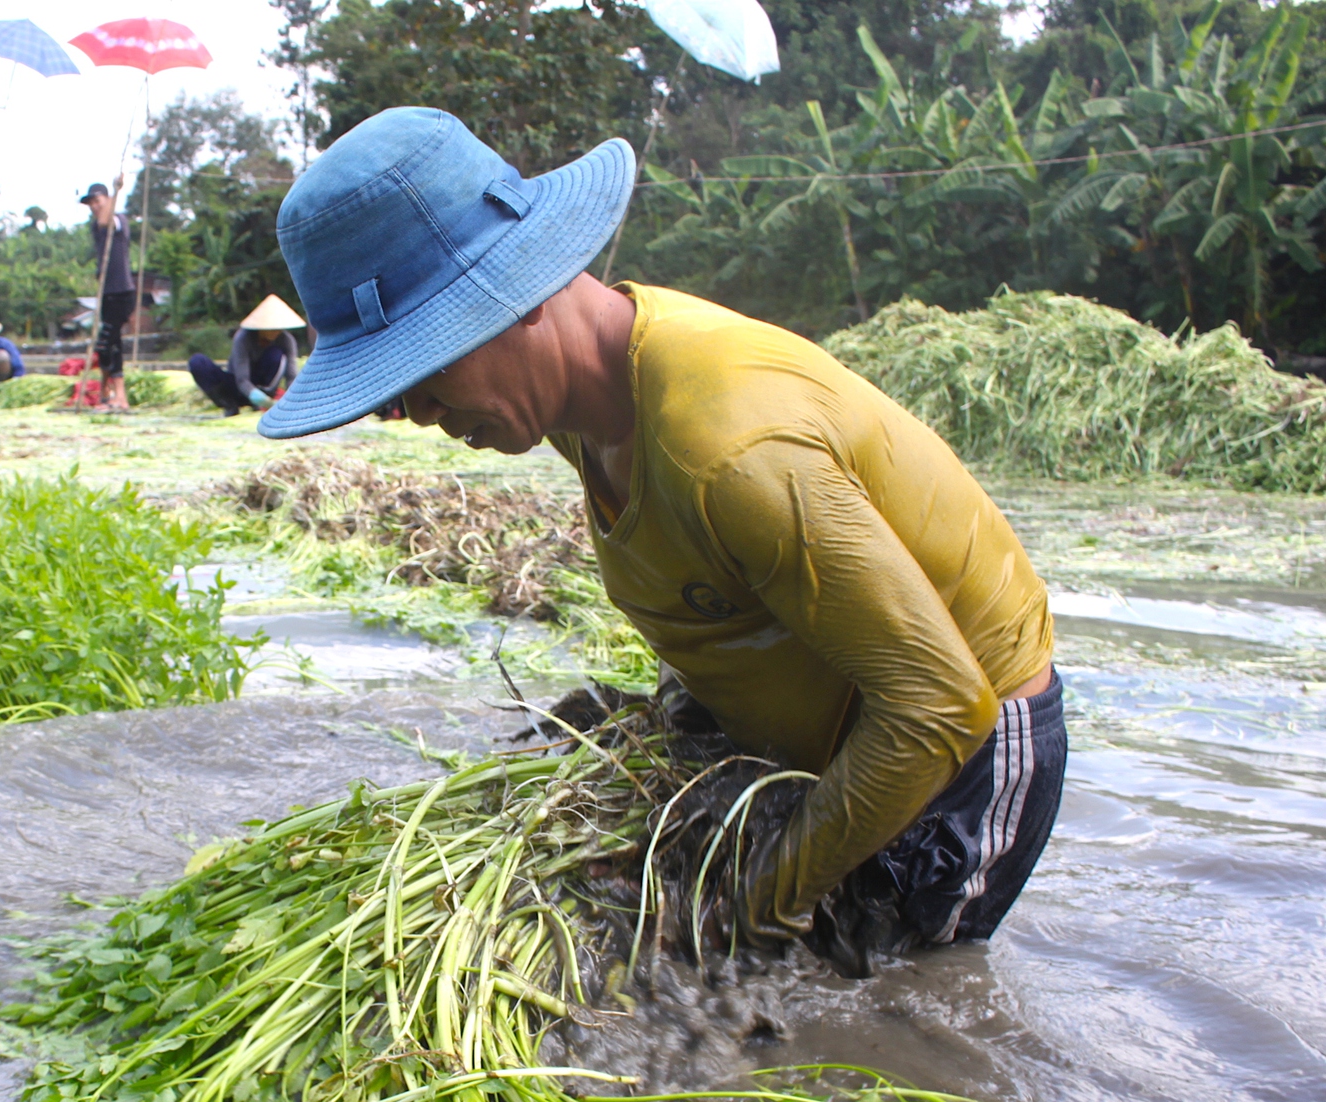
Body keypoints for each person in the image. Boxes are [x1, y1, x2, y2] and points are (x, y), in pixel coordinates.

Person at [259, 108, 1062, 977]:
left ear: (517, 296)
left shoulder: (735, 451)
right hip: (829, 734)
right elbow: (711, 578)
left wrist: (763, 899)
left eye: (421, 369)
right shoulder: (577, 408)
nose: (409, 412)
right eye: (391, 389)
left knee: (907, 1007)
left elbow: (940, 705)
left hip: (961, 762)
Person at [189, 296, 304, 417]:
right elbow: (242, 379)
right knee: (197, 362)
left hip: (264, 388)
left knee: (276, 354)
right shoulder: (243, 338)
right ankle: (229, 404)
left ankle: (260, 403)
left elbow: (291, 375)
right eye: (271, 328)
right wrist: (252, 394)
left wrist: (293, 401)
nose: (275, 331)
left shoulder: (286, 340)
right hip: (238, 384)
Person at [79, 180, 135, 411]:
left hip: (122, 292)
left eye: (97, 201)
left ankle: (118, 396)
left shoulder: (119, 221)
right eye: (91, 203)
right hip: (107, 293)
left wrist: (115, 192)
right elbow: (100, 223)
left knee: (108, 342)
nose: (94, 206)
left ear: (107, 201)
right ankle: (108, 393)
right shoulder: (96, 228)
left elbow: (106, 220)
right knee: (107, 345)